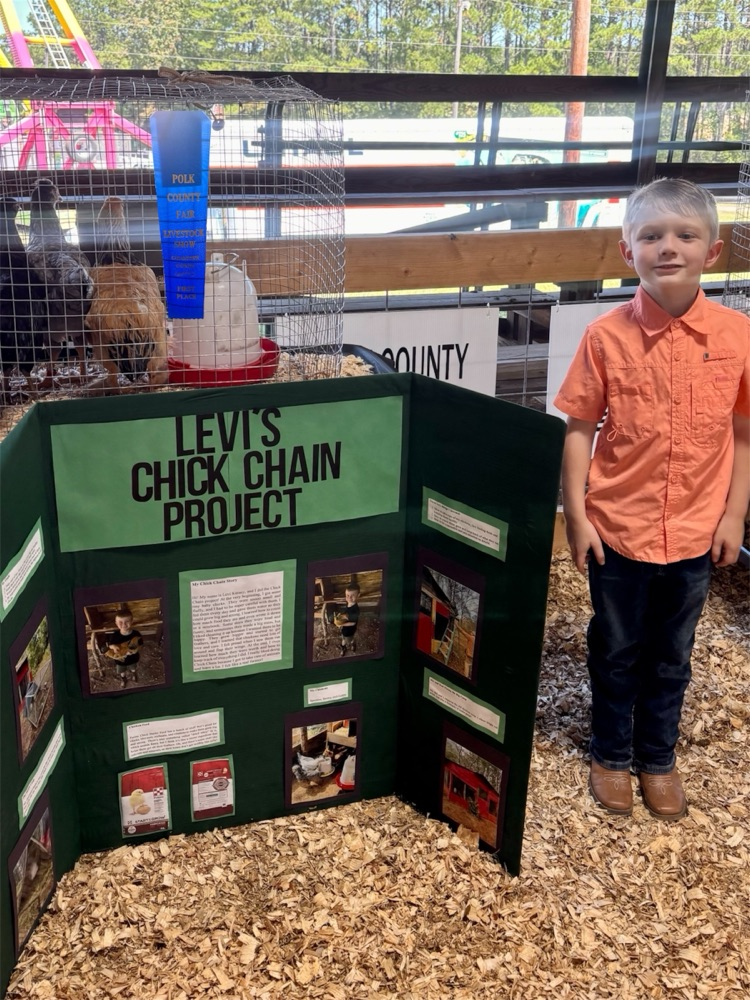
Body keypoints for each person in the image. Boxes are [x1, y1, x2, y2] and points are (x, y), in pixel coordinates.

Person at [554, 178, 750, 821]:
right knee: (615, 649)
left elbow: (742, 432)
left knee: (672, 655)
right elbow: (579, 430)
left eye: (685, 235)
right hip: (619, 531)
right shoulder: (604, 337)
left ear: (712, 251)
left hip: (695, 533)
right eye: (652, 236)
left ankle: (657, 759)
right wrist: (578, 516)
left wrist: (734, 514)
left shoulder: (738, 336)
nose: (669, 247)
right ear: (627, 251)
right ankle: (610, 755)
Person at [103, 609, 144, 687]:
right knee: (122, 671)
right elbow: (110, 645)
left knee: (133, 668)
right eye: (120, 622)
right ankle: (123, 679)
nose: (124, 624)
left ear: (132, 621)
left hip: (133, 658)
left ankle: (134, 674)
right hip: (120, 659)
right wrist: (113, 646)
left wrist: (134, 651)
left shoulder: (136, 634)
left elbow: (141, 645)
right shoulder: (115, 635)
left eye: (127, 621)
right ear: (116, 623)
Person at [333, 584, 361, 656]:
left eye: (352, 595)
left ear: (358, 595)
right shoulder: (349, 603)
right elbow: (347, 613)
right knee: (344, 637)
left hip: (350, 629)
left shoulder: (355, 610)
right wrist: (341, 616)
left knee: (347, 639)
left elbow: (353, 623)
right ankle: (350, 643)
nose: (349, 598)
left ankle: (347, 646)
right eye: (347, 595)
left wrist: (341, 624)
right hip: (345, 628)